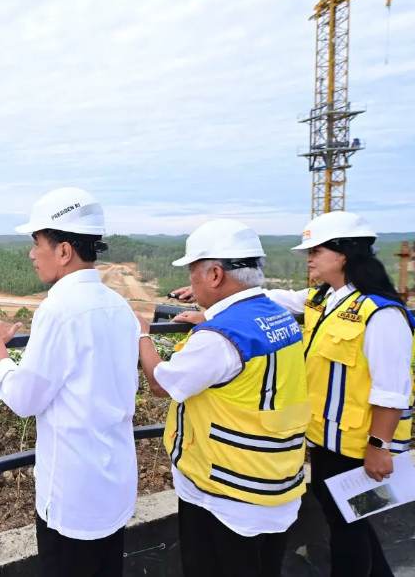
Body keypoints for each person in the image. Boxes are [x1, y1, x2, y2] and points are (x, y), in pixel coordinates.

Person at [137, 219, 309, 577]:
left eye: (194, 273)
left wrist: (142, 336)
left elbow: (161, 383)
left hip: (227, 493)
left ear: (215, 274)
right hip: (275, 480)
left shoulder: (219, 338)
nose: (192, 282)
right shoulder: (278, 314)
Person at [0, 187, 139, 576]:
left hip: (73, 494)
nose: (32, 254)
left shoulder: (59, 310)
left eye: (37, 243)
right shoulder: (119, 306)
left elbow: (24, 397)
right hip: (113, 481)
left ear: (64, 250)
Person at [270, 211, 415, 577]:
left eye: (316, 250)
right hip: (327, 440)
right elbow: (277, 299)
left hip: (359, 447)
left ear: (343, 254)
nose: (310, 258)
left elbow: (391, 389)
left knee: (347, 528)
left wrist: (379, 447)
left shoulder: (380, 313)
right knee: (352, 520)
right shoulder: (326, 299)